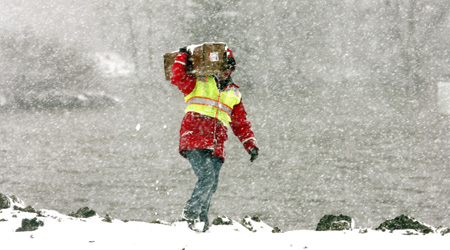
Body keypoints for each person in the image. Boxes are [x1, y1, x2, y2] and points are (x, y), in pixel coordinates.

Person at [170, 45, 259, 232]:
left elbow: (240, 123)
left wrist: (250, 144)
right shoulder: (199, 81)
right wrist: (182, 56)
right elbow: (177, 77)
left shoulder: (234, 93)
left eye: (230, 68)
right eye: (225, 66)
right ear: (217, 66)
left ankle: (201, 223)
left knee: (211, 185)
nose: (227, 71)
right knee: (207, 177)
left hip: (216, 144)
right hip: (193, 138)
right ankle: (190, 215)